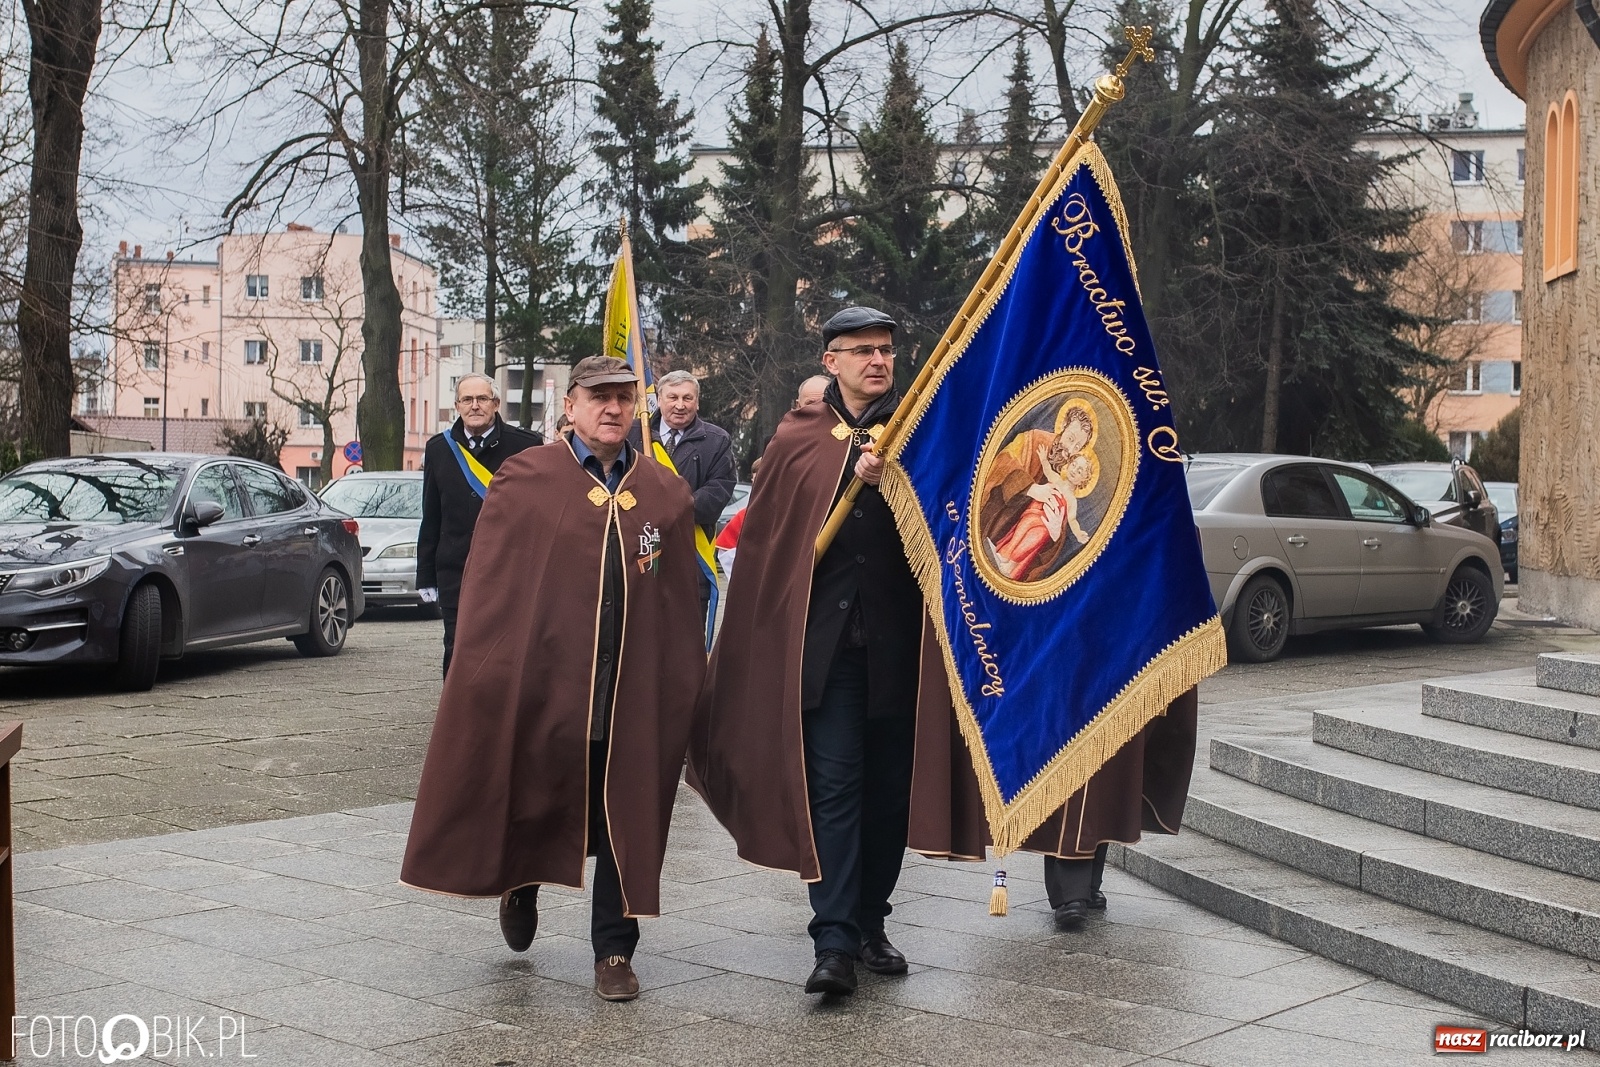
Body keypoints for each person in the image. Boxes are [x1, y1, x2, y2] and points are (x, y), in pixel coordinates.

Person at [401, 356, 705, 1003]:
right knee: (538, 795)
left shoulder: (662, 490)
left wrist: (684, 680)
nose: (613, 408)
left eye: (624, 398)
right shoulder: (526, 480)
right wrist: (482, 676)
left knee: (625, 814)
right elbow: (491, 590)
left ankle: (615, 949)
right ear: (569, 406)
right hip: (543, 688)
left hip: (627, 694)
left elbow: (682, 597)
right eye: (599, 398)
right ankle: (521, 879)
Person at [690, 306, 929, 996]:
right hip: (826, 652)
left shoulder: (917, 430)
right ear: (832, 360)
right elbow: (769, 542)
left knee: (888, 795)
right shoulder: (801, 436)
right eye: (861, 350)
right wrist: (844, 480)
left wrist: (899, 484)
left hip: (900, 645)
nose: (877, 360)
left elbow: (949, 525)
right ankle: (832, 941)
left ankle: (871, 921)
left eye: (885, 349)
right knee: (835, 791)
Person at [417, 374, 542, 676]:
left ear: (496, 404)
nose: (475, 406)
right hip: (456, 568)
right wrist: (426, 575)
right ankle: (457, 719)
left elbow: (538, 514)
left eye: (482, 399)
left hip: (509, 569)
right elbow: (431, 514)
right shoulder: (438, 449)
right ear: (457, 405)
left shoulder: (526, 446)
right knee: (457, 646)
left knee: (506, 648)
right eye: (467, 400)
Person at [632, 370, 736, 619]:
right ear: (659, 399)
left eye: (687, 398)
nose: (680, 405)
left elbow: (719, 491)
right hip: (638, 550)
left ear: (697, 402)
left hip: (690, 554)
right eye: (673, 397)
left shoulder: (716, 441)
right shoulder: (633, 434)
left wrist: (669, 508)